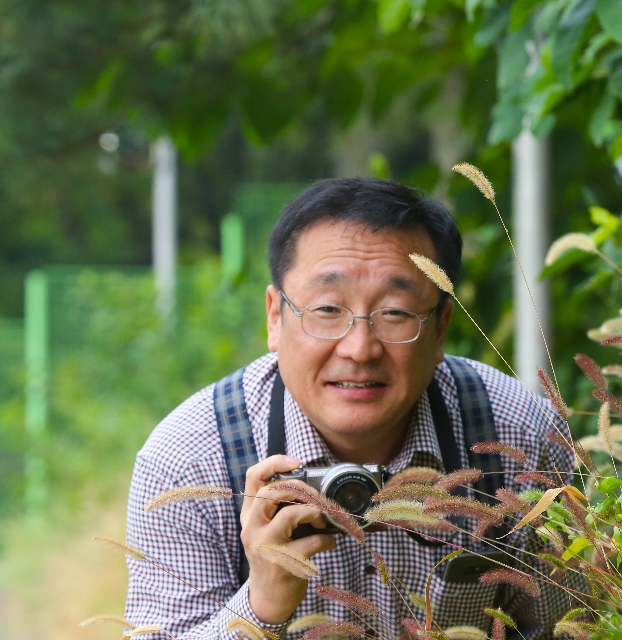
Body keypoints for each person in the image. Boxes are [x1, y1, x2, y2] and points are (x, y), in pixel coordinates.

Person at [125, 178, 584, 639]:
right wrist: (261, 604)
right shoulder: (189, 462)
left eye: (396, 312)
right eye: (327, 309)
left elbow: (579, 625)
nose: (360, 348)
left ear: (441, 328)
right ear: (274, 317)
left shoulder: (516, 433)